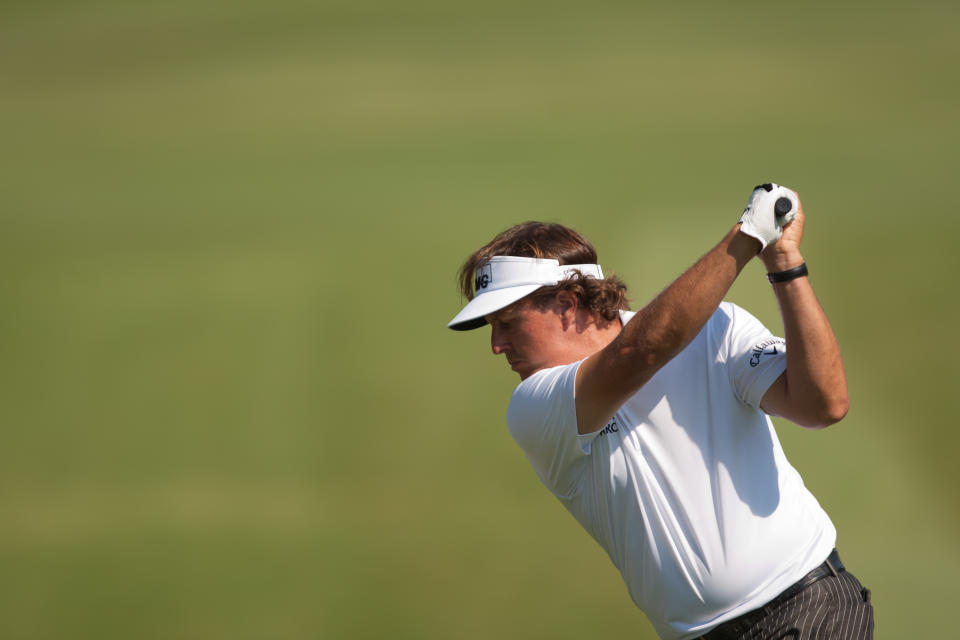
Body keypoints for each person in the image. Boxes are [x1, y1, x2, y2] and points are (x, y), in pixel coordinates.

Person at [447, 184, 874, 640]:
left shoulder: (719, 328)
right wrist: (749, 234)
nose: (496, 346)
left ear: (567, 303)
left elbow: (824, 404)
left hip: (807, 608)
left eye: (507, 324)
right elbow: (643, 352)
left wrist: (786, 265)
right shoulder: (534, 406)